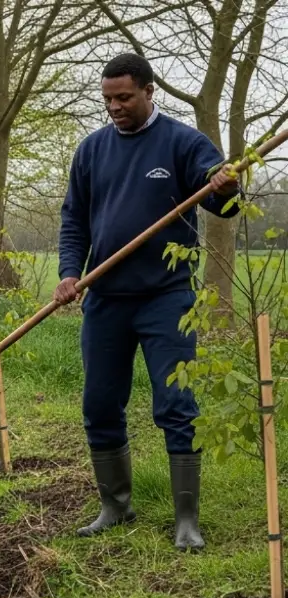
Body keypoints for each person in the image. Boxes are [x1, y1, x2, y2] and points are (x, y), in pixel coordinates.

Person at [56, 52, 241, 551]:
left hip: (167, 297)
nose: (114, 107)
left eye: (124, 97)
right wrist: (70, 273)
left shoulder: (183, 142)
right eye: (107, 99)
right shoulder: (92, 150)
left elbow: (221, 201)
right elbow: (73, 219)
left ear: (148, 91)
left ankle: (187, 520)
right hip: (105, 300)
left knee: (177, 403)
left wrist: (226, 185)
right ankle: (116, 505)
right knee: (99, 403)